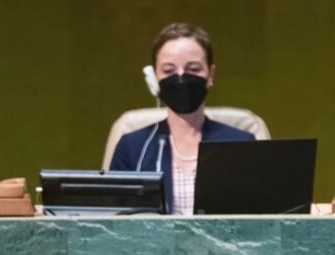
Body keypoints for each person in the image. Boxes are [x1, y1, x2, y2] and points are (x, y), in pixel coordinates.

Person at [108, 23, 254, 216]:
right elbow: (114, 223)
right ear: (154, 79)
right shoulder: (133, 148)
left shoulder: (242, 144)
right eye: (168, 71)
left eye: (193, 68)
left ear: (210, 75)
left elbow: (258, 220)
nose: (181, 78)